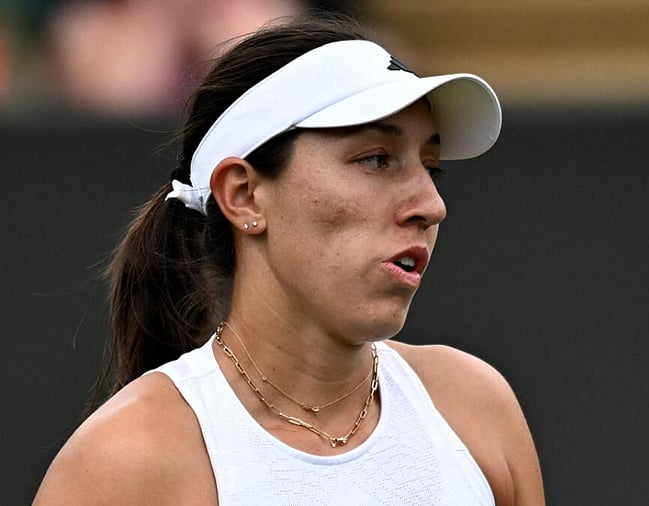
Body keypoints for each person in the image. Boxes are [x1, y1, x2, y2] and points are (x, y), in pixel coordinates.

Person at [33, 15, 544, 505]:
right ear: (245, 196)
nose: (432, 206)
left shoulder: (477, 409)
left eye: (430, 167)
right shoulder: (125, 461)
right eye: (375, 159)